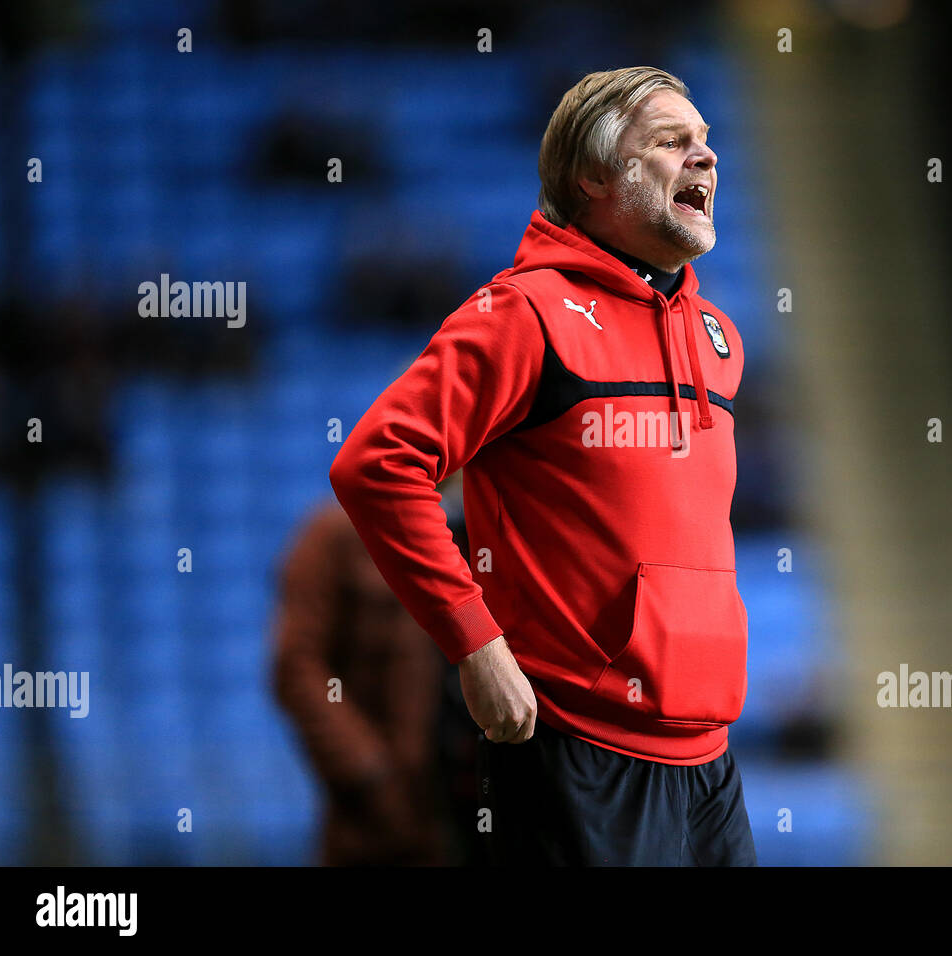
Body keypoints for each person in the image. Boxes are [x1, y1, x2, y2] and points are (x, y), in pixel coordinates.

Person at [330, 66, 756, 865]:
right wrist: (476, 645)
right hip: (577, 748)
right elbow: (377, 463)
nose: (705, 158)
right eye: (671, 142)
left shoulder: (717, 337)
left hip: (709, 758)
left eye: (706, 141)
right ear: (594, 175)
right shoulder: (523, 313)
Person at [272, 480, 487, 866]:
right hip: (382, 825)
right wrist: (368, 772)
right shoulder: (337, 535)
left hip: (476, 812)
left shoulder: (490, 535)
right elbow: (296, 667)